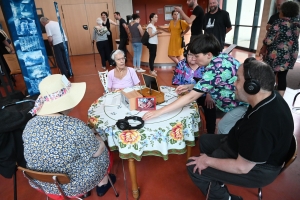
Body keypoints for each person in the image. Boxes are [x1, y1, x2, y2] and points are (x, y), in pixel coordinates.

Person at [186, 58, 294, 200]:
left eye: (237, 79)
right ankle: (215, 179)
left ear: (252, 86)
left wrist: (207, 161)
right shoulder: (268, 96)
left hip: (258, 169)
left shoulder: (261, 124)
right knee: (205, 140)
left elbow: (242, 167)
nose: (233, 83)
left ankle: (226, 198)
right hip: (241, 144)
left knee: (193, 167)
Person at [23, 74, 116, 197]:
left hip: (42, 183)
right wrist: (98, 139)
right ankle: (102, 183)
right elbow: (97, 151)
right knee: (103, 148)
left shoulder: (30, 124)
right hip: (74, 184)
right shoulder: (74, 126)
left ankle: (86, 190)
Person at [143, 34, 247, 135]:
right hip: (239, 103)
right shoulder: (222, 57)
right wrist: (191, 86)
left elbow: (191, 97)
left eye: (197, 56)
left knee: (223, 128)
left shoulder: (215, 69)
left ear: (209, 55)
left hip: (243, 105)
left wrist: (158, 112)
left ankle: (226, 150)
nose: (194, 59)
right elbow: (215, 83)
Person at [260, 1, 300, 96]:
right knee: (282, 76)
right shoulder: (297, 24)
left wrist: (266, 40)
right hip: (290, 54)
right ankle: (280, 98)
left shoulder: (278, 22)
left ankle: (267, 97)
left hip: (276, 54)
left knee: (270, 75)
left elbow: (269, 40)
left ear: (284, 11)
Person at [172, 47, 216, 134]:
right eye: (190, 55)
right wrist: (182, 93)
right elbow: (177, 82)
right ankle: (191, 133)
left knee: (210, 107)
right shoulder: (181, 64)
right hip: (186, 94)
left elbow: (212, 82)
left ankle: (211, 132)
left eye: (195, 55)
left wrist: (209, 95)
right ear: (186, 55)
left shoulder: (205, 65)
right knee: (182, 109)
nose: (192, 57)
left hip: (204, 94)